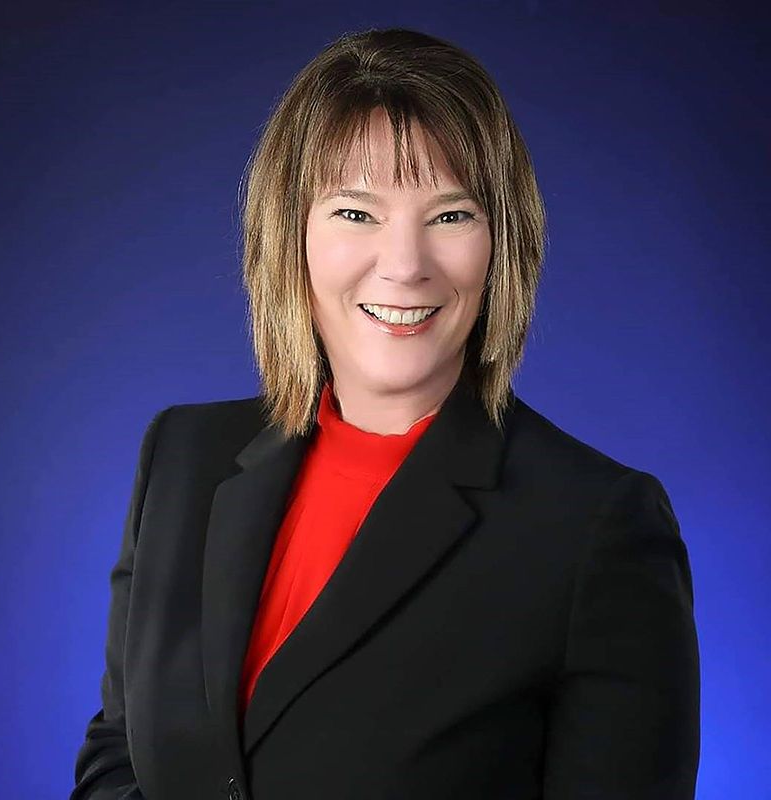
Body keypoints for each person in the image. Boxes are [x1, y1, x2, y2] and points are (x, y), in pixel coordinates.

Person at [70, 27, 700, 800]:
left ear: (503, 243)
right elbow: (117, 756)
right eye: (356, 213)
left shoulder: (597, 526)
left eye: (450, 216)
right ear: (289, 234)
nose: (404, 265)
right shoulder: (182, 455)